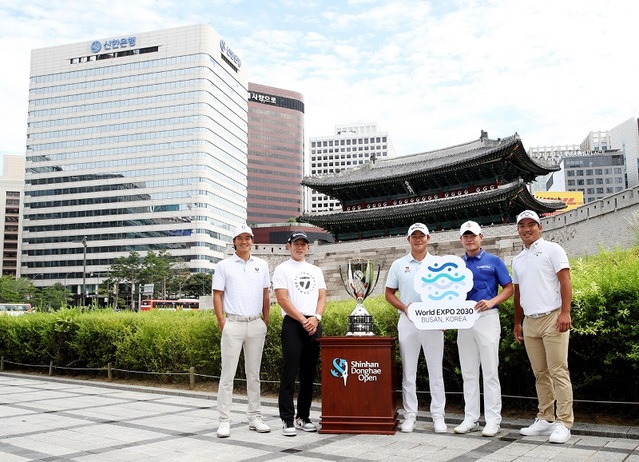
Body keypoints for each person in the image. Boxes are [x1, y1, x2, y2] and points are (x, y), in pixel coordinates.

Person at [512, 210, 573, 444]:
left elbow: (565, 280)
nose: (526, 229)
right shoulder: (518, 259)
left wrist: (565, 312)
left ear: (540, 227)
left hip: (553, 317)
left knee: (559, 371)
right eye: (522, 226)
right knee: (540, 373)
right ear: (518, 229)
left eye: (531, 225)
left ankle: (564, 422)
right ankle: (545, 418)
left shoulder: (553, 250)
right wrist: (518, 322)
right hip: (530, 321)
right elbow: (519, 294)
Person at [385, 223, 447, 433]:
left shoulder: (438, 263)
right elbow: (389, 294)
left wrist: (443, 318)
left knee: (435, 372)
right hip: (408, 321)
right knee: (408, 373)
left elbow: (447, 294)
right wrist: (405, 308)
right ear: (408, 239)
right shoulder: (399, 264)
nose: (418, 239)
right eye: (414, 236)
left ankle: (438, 416)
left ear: (428, 238)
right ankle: (410, 415)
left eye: (422, 236)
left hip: (433, 323)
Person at [454, 221, 513, 437]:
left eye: (473, 235)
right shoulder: (457, 265)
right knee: (469, 372)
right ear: (461, 240)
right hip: (464, 321)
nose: (469, 239)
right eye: (465, 236)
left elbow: (509, 288)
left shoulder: (493, 261)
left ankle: (493, 420)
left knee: (490, 372)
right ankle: (471, 418)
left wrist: (492, 301)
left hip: (487, 317)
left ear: (481, 237)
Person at [212, 223, 271, 438]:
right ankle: (224, 420)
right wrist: (221, 322)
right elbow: (217, 295)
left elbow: (266, 294)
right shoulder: (224, 265)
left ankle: (255, 417)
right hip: (233, 324)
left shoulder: (262, 265)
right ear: (234, 241)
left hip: (256, 324)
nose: (244, 241)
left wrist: (266, 319)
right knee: (227, 375)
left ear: (252, 240)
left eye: (248, 238)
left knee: (253, 375)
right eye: (240, 238)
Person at [272, 231, 327, 437]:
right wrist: (303, 320)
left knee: (308, 372)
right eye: (296, 243)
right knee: (290, 371)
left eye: (303, 244)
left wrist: (316, 318)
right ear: (289, 246)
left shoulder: (315, 270)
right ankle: (287, 419)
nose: (300, 247)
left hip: (313, 323)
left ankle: (303, 416)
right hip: (293, 323)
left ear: (308, 247)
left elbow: (322, 297)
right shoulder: (282, 269)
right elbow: (283, 299)